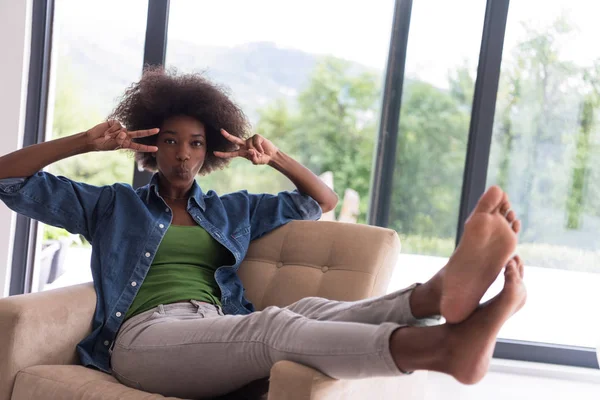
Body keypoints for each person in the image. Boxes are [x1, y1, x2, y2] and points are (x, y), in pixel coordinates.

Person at [0, 68, 525, 399]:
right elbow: (9, 178)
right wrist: (84, 142)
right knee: (273, 328)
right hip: (142, 340)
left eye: (197, 143)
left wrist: (273, 158)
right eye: (171, 141)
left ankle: (436, 296)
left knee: (310, 310)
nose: (183, 153)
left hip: (209, 324)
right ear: (151, 147)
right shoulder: (112, 205)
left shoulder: (232, 212)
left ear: (209, 154)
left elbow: (320, 200)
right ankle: (438, 349)